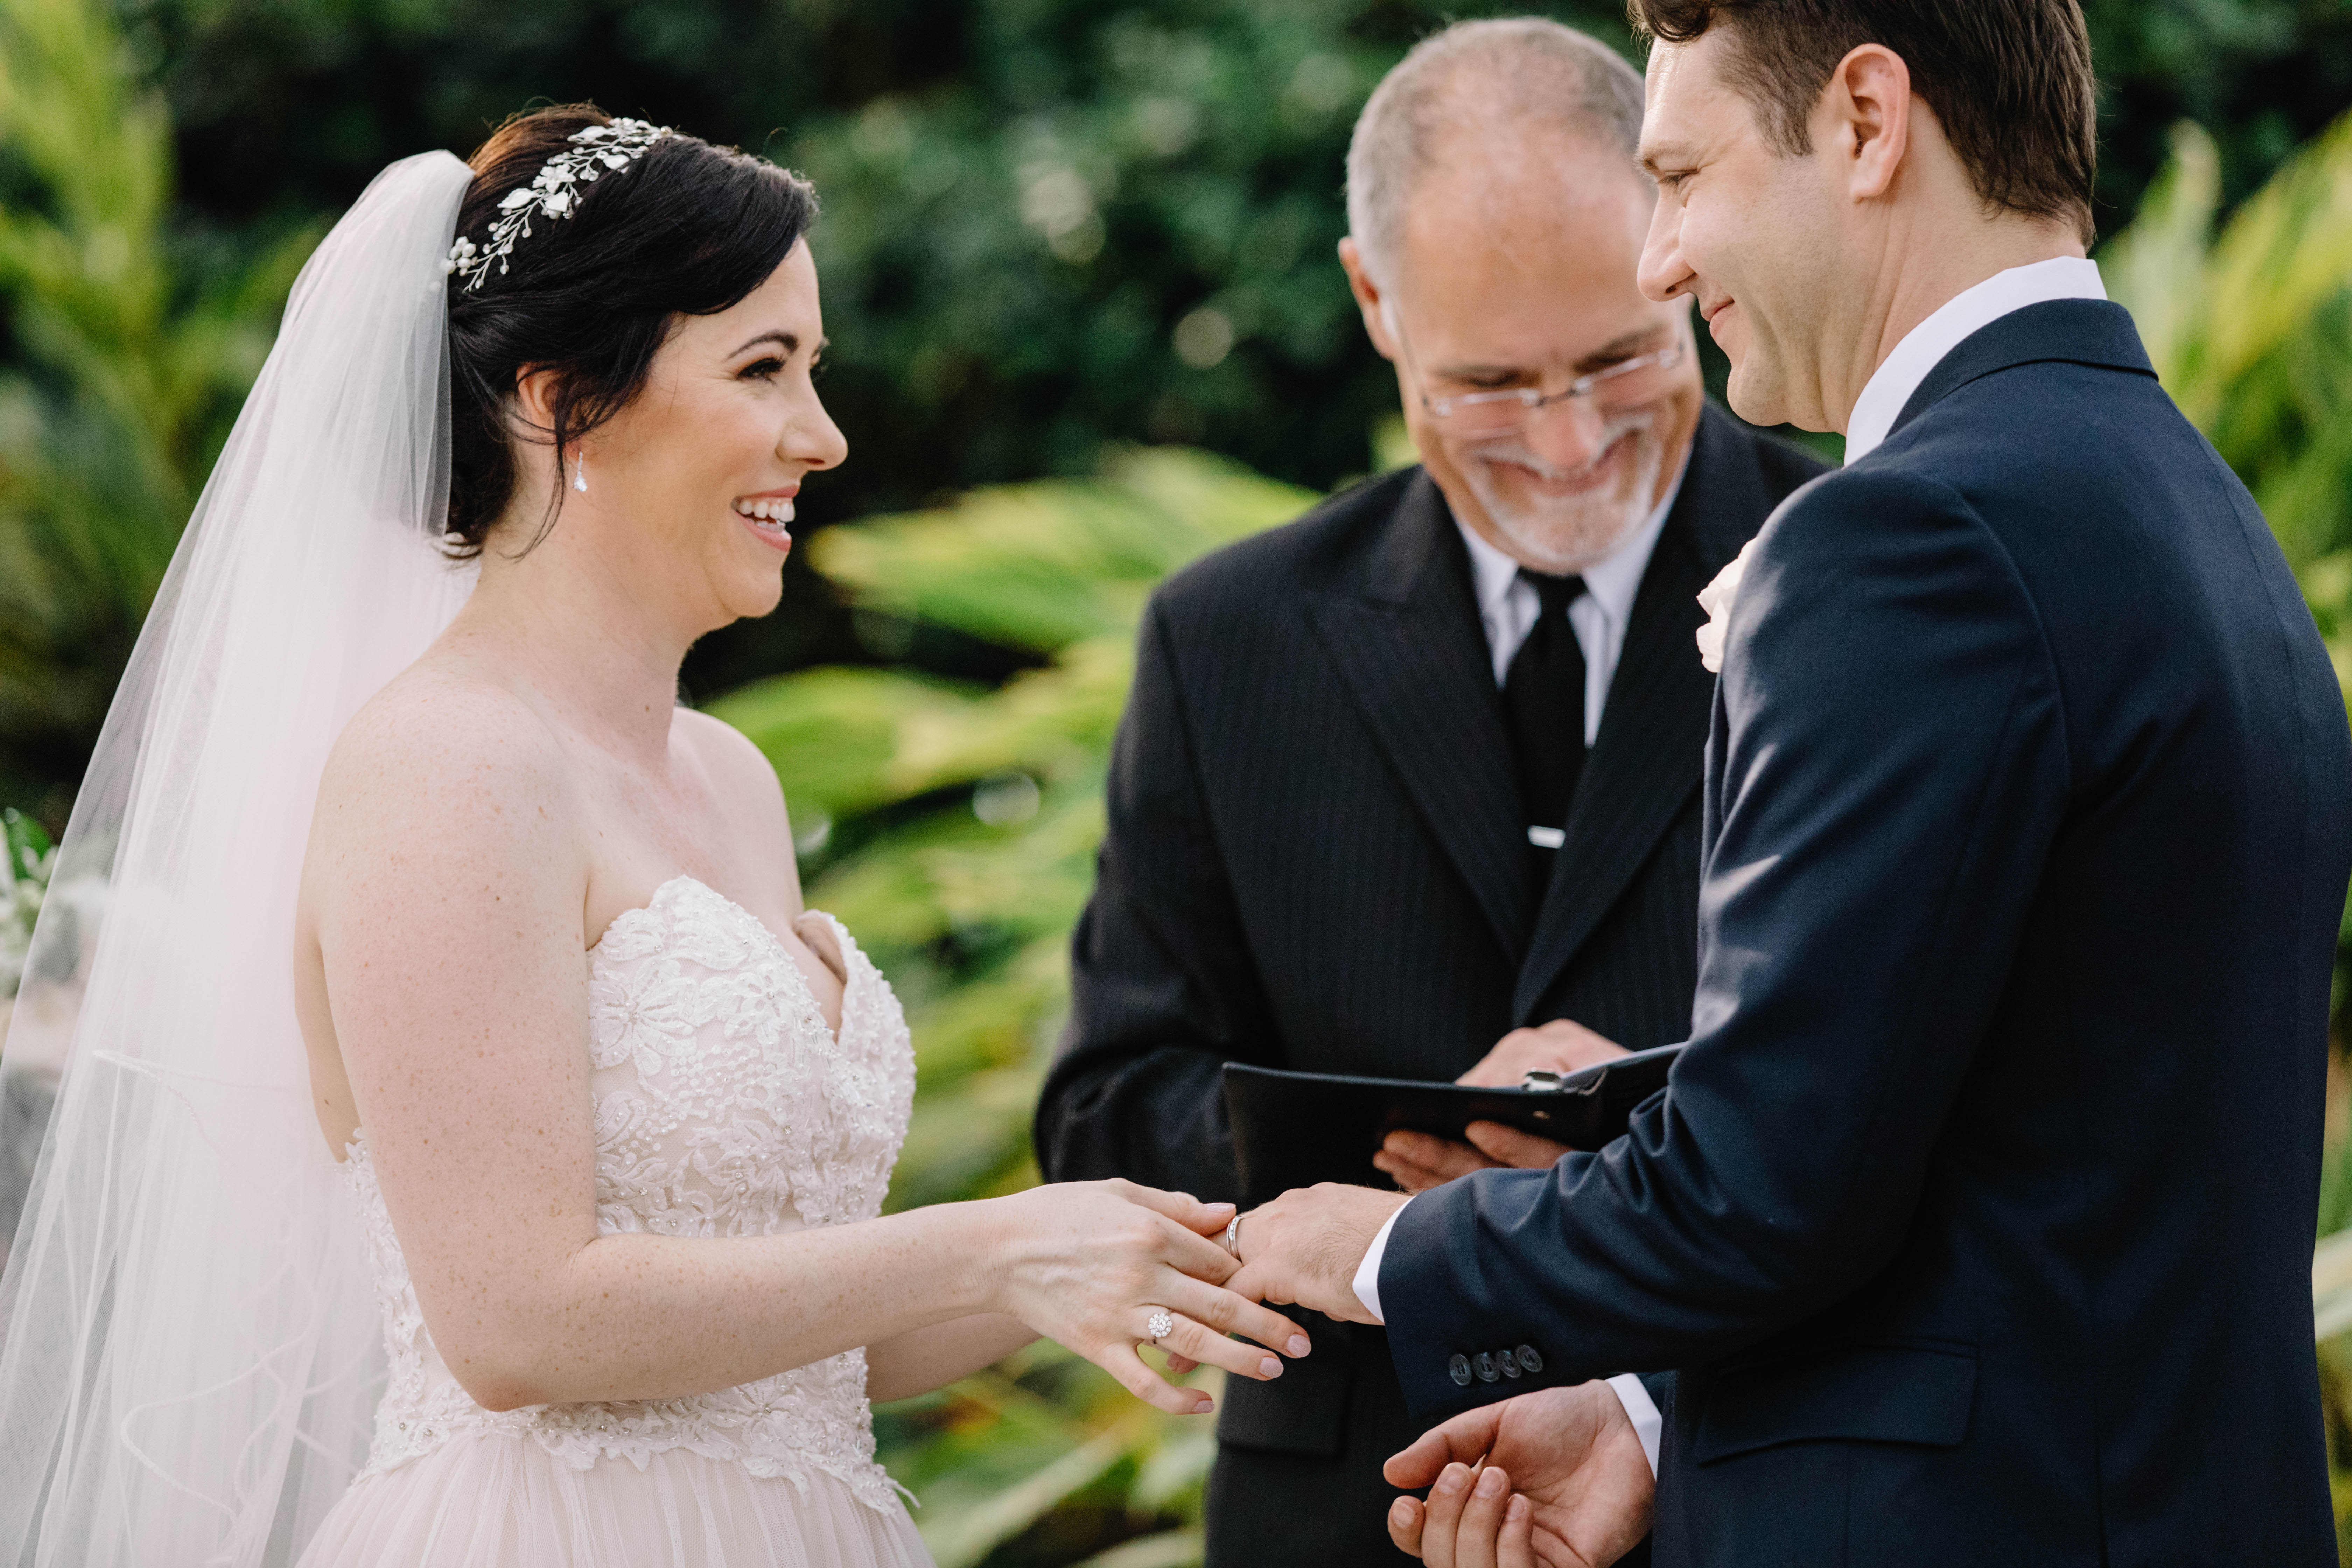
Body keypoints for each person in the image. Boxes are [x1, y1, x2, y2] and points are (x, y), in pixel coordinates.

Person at [0, 107, 1311, 1568]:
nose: (824, 436)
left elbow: (808, 1347)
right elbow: (513, 1317)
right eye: (764, 369)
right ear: (566, 401)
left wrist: (1183, 1241)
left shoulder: (734, 778)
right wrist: (995, 1242)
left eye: (814, 371)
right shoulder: (447, 760)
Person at [1222, 2, 2352, 1564]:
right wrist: (1651, 1418)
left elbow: (1761, 1190)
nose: (1661, 260)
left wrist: (1390, 1249)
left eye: (1683, 176)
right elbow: (2003, 1147)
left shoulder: (1910, 537)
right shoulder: (2180, 503)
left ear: (1869, 122)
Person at [1031, 20, 1821, 1565]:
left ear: (1678, 257)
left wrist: (1650, 1133)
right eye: (1490, 385)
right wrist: (1409, 1161)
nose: (1569, 443)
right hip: (1345, 1501)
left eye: (1615, 362)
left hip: (1748, 1478)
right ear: (1373, 302)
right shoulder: (1227, 637)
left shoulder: (1863, 574)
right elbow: (1104, 1110)